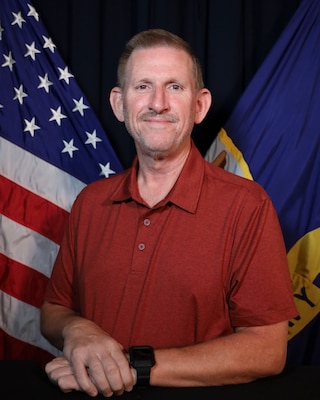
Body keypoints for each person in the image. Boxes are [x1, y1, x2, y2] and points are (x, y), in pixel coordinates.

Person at [40, 28, 297, 397]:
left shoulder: (247, 206)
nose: (157, 102)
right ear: (119, 103)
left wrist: (131, 367)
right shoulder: (90, 203)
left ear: (199, 105)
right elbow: (54, 308)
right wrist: (76, 330)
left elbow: (268, 350)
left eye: (175, 87)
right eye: (142, 86)